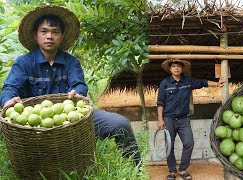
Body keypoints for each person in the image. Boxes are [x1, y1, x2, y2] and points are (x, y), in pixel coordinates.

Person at [0, 4, 141, 167]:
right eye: (44, 31)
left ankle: (136, 168)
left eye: (55, 32)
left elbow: (79, 85)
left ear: (62, 35)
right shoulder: (23, 62)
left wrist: (77, 92)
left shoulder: (71, 62)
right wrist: (8, 101)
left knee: (120, 124)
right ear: (35, 34)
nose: (49, 36)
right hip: (34, 125)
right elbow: (10, 88)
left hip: (71, 118)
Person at [157, 59, 225, 180]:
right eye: (174, 66)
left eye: (178, 66)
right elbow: (160, 103)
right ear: (170, 69)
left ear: (182, 69)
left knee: (189, 143)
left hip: (184, 120)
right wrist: (160, 120)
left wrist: (217, 84)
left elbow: (202, 82)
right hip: (169, 119)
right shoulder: (165, 83)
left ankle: (183, 170)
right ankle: (172, 171)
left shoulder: (188, 81)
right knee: (169, 146)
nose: (176, 68)